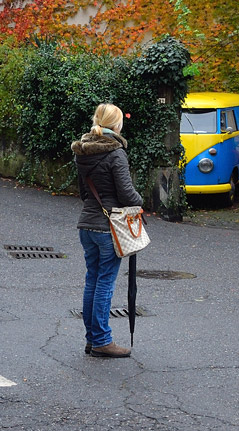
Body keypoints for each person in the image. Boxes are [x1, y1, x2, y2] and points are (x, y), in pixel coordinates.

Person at [73, 103, 143, 358]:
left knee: (92, 280)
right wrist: (140, 201)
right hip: (108, 227)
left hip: (87, 225)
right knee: (105, 283)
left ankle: (92, 339)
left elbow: (83, 192)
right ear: (117, 124)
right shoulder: (116, 153)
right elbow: (126, 193)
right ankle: (102, 340)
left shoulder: (82, 151)